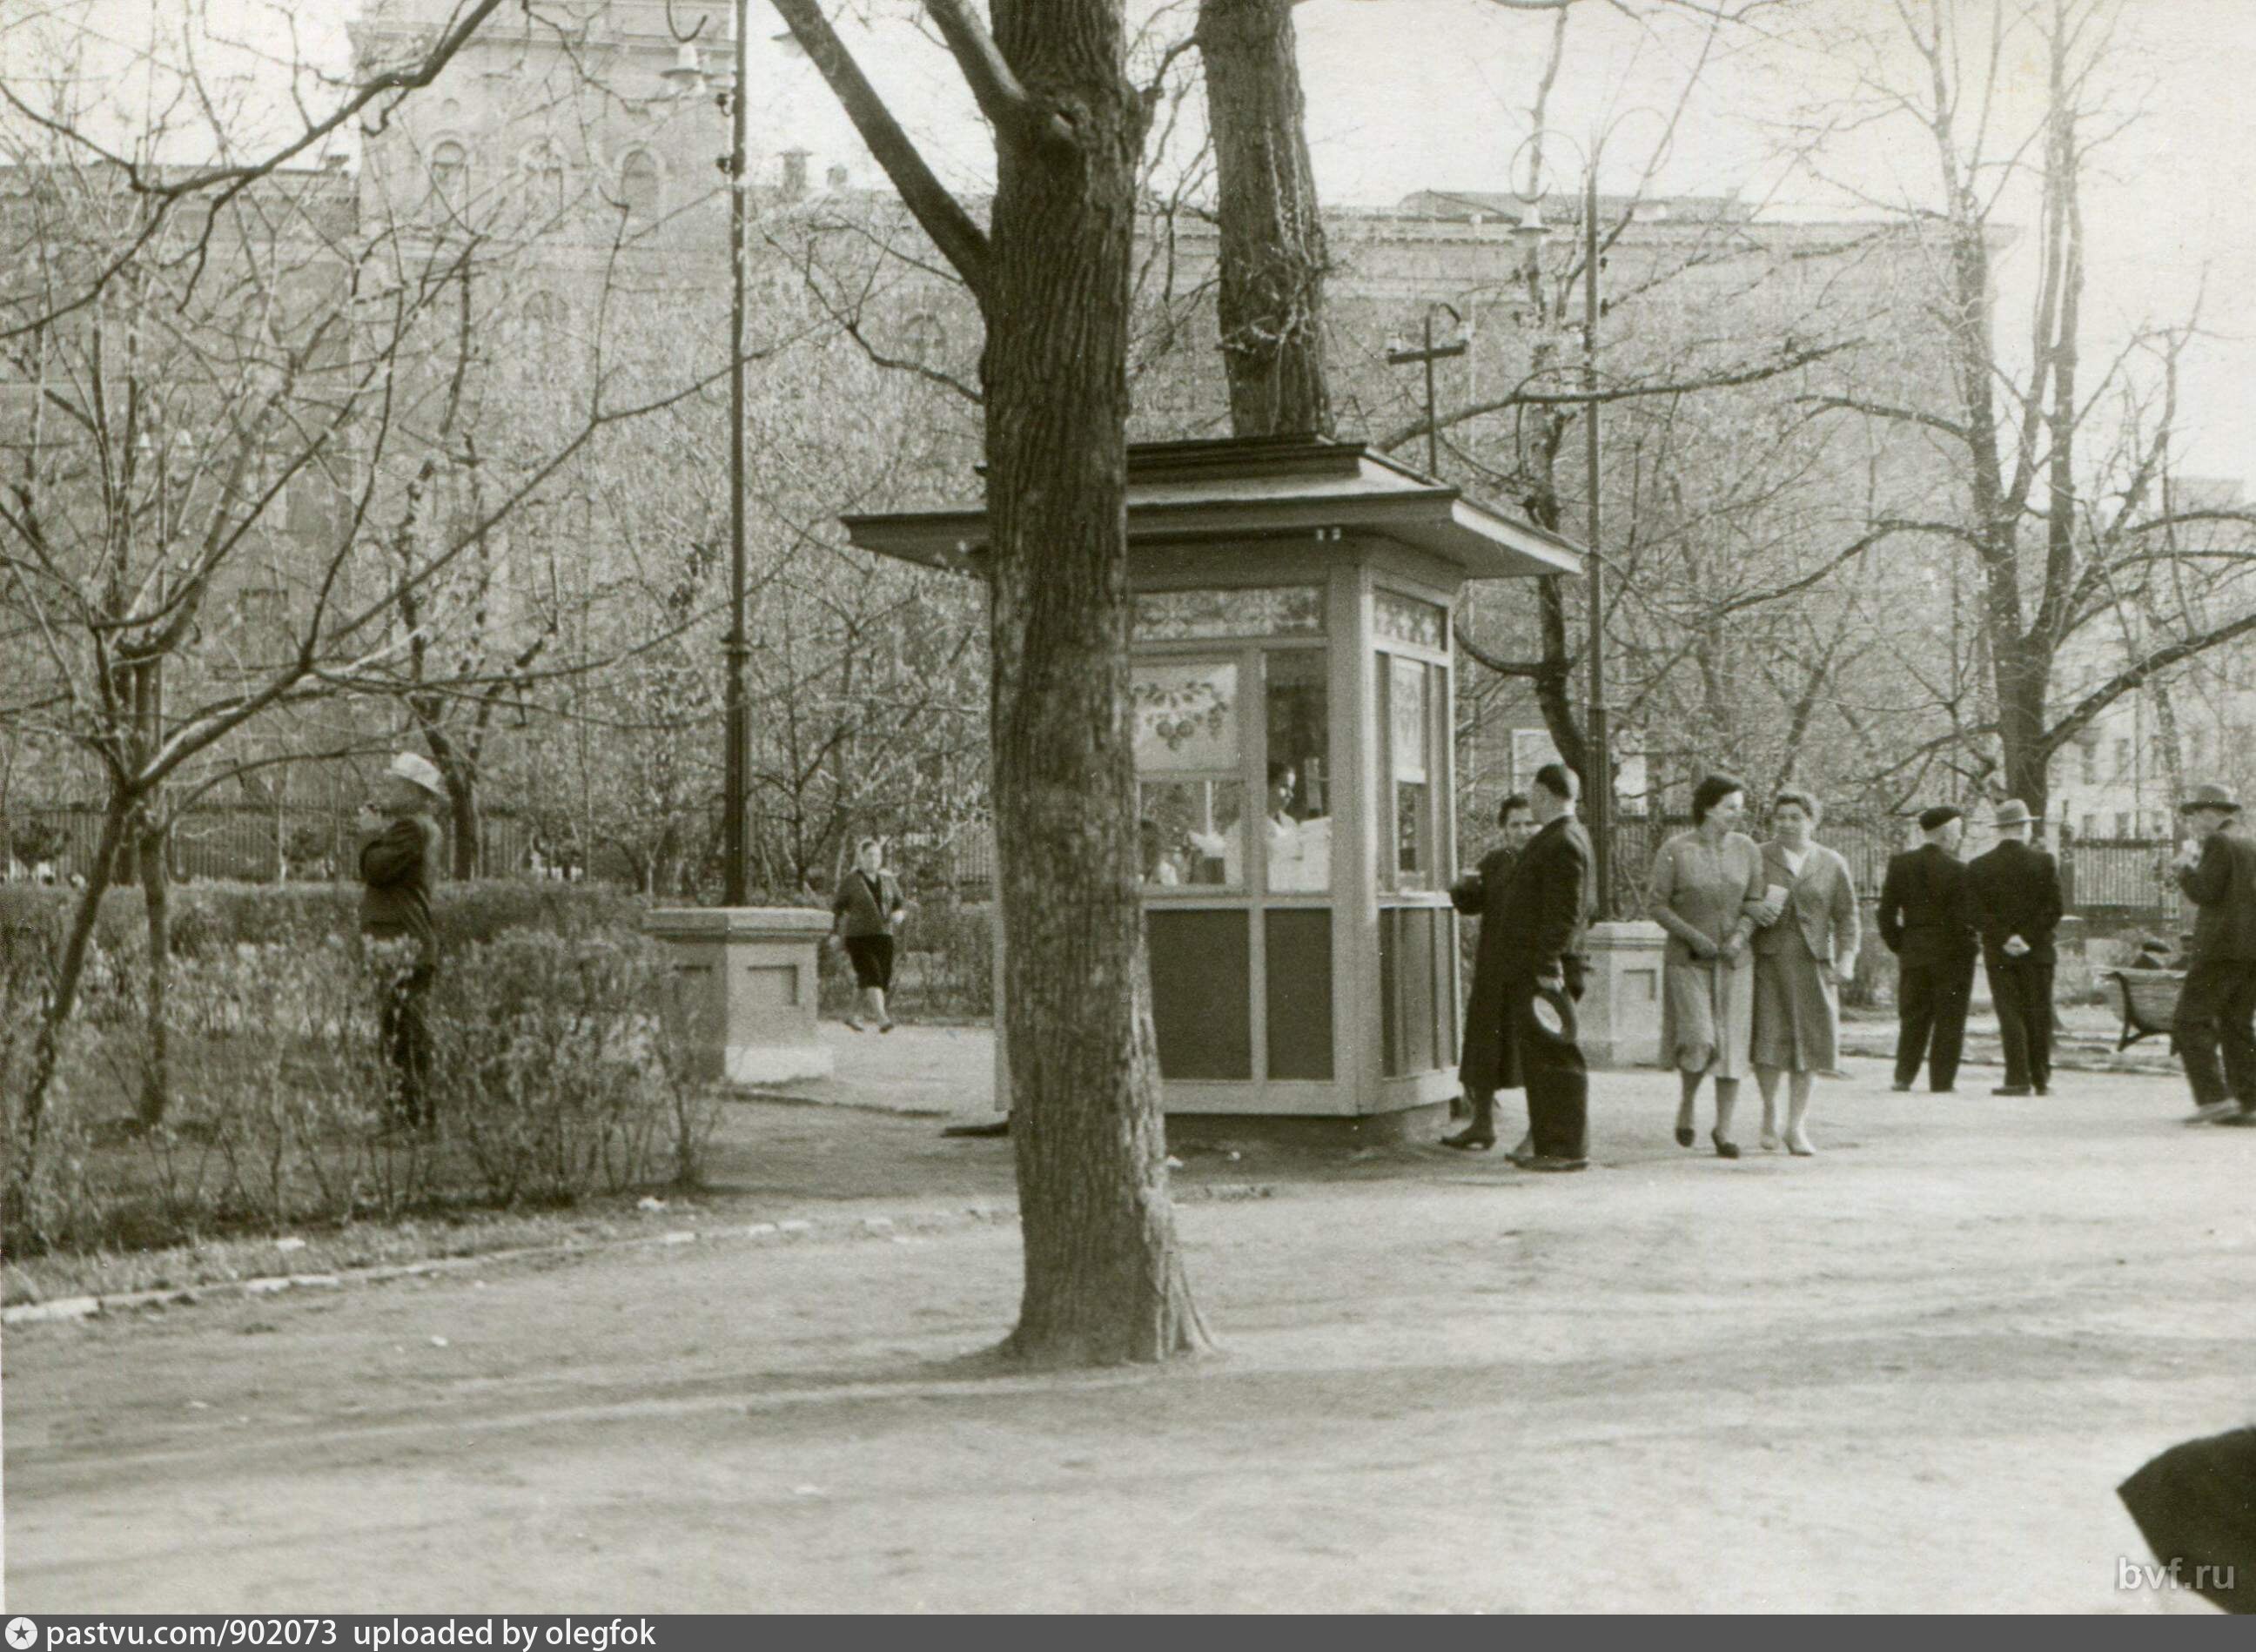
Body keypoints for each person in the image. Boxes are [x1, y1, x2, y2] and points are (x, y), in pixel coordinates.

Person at [1649, 773, 1777, 1158]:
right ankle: (1687, 1102)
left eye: (1741, 807)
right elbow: (1656, 904)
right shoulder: (1676, 849)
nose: (1738, 814)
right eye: (1730, 807)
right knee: (1700, 1039)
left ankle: (1723, 1129)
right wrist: (1694, 937)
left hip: (1736, 963)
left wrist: (1739, 936)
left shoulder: (1747, 850)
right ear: (1708, 808)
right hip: (1688, 961)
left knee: (1733, 1048)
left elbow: (1754, 901)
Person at [1486, 763, 1595, 1172]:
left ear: (1546, 793)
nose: (1529, 797)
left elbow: (1564, 912)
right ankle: (1553, 1143)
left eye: (1533, 790)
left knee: (1554, 1055)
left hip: (1545, 969)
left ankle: (1563, 1148)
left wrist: (1548, 964)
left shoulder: (1561, 840)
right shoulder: (1565, 835)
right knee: (1544, 1055)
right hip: (1541, 966)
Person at [1749, 789, 1861, 1156]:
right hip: (1768, 960)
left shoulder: (1831, 862)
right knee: (1769, 1040)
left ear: (1813, 821)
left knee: (1810, 1044)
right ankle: (1770, 1112)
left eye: (1796, 817)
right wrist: (1755, 911)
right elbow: (1741, 900)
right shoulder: (1758, 856)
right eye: (1781, 816)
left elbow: (1848, 917)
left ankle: (1796, 1126)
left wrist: (1846, 959)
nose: (1787, 823)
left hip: (1814, 964)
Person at [1442, 793, 1541, 1155]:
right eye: (1515, 824)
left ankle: (1538, 1129)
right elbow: (1472, 904)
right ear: (1503, 829)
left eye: (1530, 823)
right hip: (1493, 965)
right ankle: (1481, 1123)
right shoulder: (1496, 862)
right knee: (1484, 1043)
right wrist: (1463, 889)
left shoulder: (1546, 860)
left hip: (1528, 966)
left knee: (1530, 1049)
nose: (1523, 831)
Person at [358, 751, 446, 1131]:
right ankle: (410, 1116)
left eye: (395, 783)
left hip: (402, 942)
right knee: (404, 1034)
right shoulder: (421, 826)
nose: (387, 789)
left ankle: (412, 1118)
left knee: (403, 1037)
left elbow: (375, 870)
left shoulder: (411, 828)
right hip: (406, 941)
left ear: (415, 791)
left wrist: (367, 832)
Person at [2168, 782, 2256, 1125]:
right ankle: (2249, 1101)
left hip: (2221, 949)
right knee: (2237, 1023)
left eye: (2194, 816)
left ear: (2211, 813)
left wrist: (2184, 869)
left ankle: (2214, 1098)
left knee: (2189, 1020)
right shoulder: (2250, 841)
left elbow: (2206, 892)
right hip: (2251, 952)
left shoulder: (2219, 842)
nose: (2193, 824)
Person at [1877, 804, 1978, 1095]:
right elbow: (1966, 918)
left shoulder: (1900, 864)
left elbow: (1885, 914)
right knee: (1950, 1019)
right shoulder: (1959, 870)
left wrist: (1902, 944)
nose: (1959, 837)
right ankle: (1942, 1081)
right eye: (1958, 830)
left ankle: (1903, 1077)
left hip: (1914, 952)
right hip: (1953, 955)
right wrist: (1969, 947)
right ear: (1946, 833)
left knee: (1912, 1017)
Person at [1965, 798, 2063, 1097]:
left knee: (2010, 1013)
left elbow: (1974, 912)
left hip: (1999, 951)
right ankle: (2041, 1078)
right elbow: (2054, 909)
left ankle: (2017, 1078)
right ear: (2024, 827)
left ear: (2000, 830)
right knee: (2039, 1011)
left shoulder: (1979, 866)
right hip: (2038, 951)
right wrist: (2027, 938)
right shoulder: (2044, 862)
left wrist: (2006, 937)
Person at [830, 836, 910, 1032]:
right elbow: (837, 908)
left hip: (884, 935)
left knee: (878, 978)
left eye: (876, 855)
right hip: (858, 936)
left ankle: (851, 1014)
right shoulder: (851, 880)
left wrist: (899, 912)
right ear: (860, 857)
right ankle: (882, 1019)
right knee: (872, 974)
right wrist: (833, 933)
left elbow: (900, 902)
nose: (873, 859)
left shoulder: (888, 878)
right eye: (869, 855)